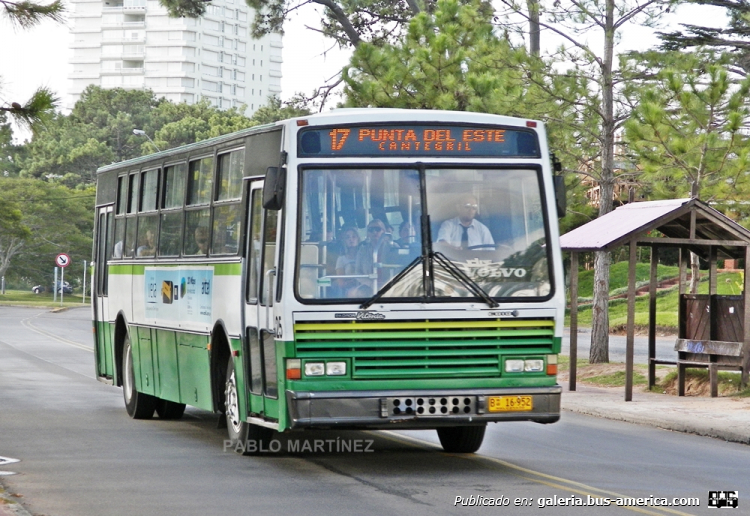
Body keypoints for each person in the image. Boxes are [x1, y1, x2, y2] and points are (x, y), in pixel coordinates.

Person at [354, 218, 397, 294]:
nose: (374, 232)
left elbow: (399, 269)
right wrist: (371, 284)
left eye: (377, 229)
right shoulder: (362, 250)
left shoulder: (393, 247)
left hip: (391, 284)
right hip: (368, 286)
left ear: (384, 231)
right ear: (368, 233)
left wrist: (387, 284)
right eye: (371, 230)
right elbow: (357, 272)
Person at [334, 227, 360, 297]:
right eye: (347, 237)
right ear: (344, 241)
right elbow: (341, 283)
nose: (351, 239)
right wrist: (352, 282)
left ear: (358, 239)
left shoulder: (365, 256)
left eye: (353, 236)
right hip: (349, 290)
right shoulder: (341, 259)